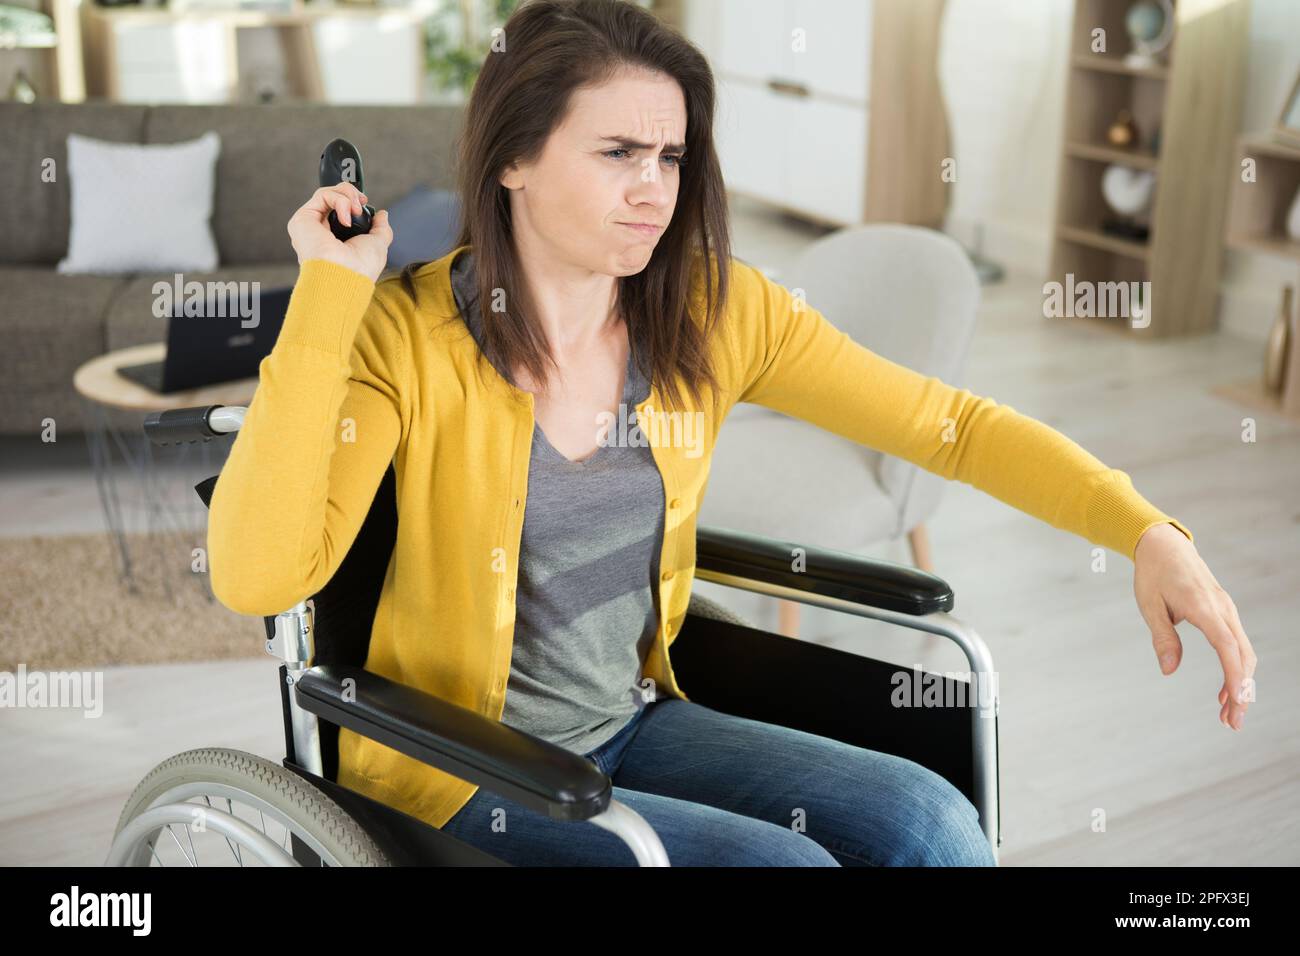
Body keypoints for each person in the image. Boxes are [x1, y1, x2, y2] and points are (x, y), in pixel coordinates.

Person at [207, 0, 1255, 866]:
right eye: (617, 151)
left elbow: (949, 424)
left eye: (669, 154)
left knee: (928, 818)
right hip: (459, 767)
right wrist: (325, 298)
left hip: (631, 721)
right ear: (513, 160)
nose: (653, 187)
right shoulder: (404, 335)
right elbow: (257, 574)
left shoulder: (711, 310)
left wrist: (1143, 529)